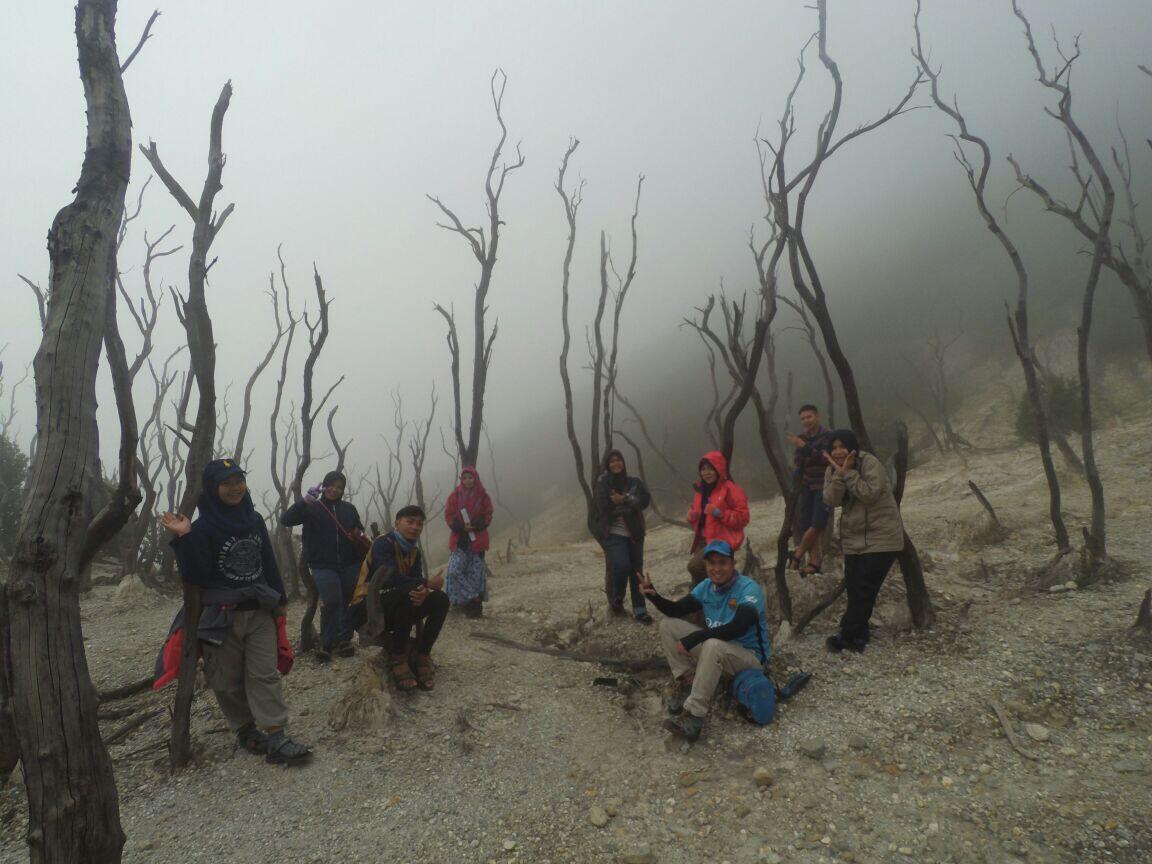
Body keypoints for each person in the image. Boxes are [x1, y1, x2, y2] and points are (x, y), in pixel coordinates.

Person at [160, 459, 311, 765]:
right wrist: (184, 537)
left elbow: (267, 560)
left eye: (238, 480)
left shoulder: (253, 519)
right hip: (220, 616)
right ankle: (244, 729)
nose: (234, 488)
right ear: (213, 488)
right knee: (225, 679)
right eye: (226, 483)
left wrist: (280, 599)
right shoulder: (202, 528)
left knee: (264, 673)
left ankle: (276, 734)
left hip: (258, 611)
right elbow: (196, 576)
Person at [639, 539, 771, 742]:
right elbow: (676, 610)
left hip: (750, 658)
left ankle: (694, 717)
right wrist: (653, 595)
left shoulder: (748, 589)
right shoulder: (706, 587)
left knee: (712, 643)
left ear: (732, 563)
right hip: (720, 651)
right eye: (712, 563)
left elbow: (739, 626)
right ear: (706, 566)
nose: (717, 569)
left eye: (722, 563)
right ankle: (686, 681)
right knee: (668, 625)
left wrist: (696, 637)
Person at [821, 429, 906, 653]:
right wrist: (840, 474)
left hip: (881, 536)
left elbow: (869, 493)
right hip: (854, 538)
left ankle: (846, 635)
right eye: (834, 447)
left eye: (842, 446)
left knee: (865, 588)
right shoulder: (832, 469)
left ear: (852, 447)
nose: (838, 451)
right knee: (855, 588)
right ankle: (860, 634)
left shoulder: (869, 463)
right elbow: (831, 499)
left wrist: (848, 473)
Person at [352, 505, 448, 691]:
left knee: (440, 599)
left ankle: (422, 655)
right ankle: (398, 658)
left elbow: (413, 581)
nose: (415, 527)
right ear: (397, 523)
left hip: (396, 605)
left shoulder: (414, 552)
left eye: (419, 524)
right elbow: (388, 579)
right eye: (409, 522)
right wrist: (426, 583)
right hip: (367, 608)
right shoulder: (383, 543)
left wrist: (424, 591)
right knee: (407, 594)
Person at [280, 469, 368, 662]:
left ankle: (344, 639)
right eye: (331, 485)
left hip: (350, 562)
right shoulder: (312, 507)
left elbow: (359, 529)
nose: (334, 490)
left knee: (346, 600)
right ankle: (327, 643)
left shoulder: (348, 508)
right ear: (324, 486)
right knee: (332, 600)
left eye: (339, 487)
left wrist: (358, 533)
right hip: (322, 564)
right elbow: (286, 519)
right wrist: (305, 501)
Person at [593, 449, 653, 622]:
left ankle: (640, 610)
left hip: (635, 533)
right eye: (611, 462)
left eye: (618, 460)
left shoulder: (634, 481)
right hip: (613, 533)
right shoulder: (603, 485)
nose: (615, 464)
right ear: (607, 465)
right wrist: (631, 505)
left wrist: (624, 499)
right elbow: (604, 508)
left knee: (637, 572)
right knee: (621, 564)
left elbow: (645, 501)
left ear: (623, 462)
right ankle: (618, 597)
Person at [685, 450, 750, 585]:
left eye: (710, 469)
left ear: (718, 469)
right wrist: (691, 516)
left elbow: (743, 518)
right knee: (697, 582)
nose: (706, 473)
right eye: (703, 469)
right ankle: (702, 604)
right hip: (702, 540)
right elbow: (697, 511)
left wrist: (721, 514)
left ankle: (724, 594)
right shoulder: (701, 490)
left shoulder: (730, 489)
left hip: (721, 541)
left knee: (695, 567)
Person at [787, 404, 835, 576]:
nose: (806, 421)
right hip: (806, 485)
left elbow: (826, 459)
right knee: (807, 522)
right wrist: (808, 452)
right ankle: (814, 561)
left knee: (818, 522)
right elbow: (799, 461)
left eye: (809, 417)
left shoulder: (828, 436)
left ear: (817, 416)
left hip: (824, 484)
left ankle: (797, 556)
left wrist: (805, 448)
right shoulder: (802, 438)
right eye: (803, 418)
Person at [444, 466, 494, 618]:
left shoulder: (483, 496)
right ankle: (470, 599)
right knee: (454, 571)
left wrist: (479, 523)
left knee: (475, 574)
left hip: (477, 541)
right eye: (465, 478)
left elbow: (488, 513)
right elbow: (449, 515)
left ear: (475, 478)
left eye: (470, 477)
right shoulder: (454, 496)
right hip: (460, 541)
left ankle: (472, 607)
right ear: (461, 479)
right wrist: (459, 526)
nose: (468, 481)